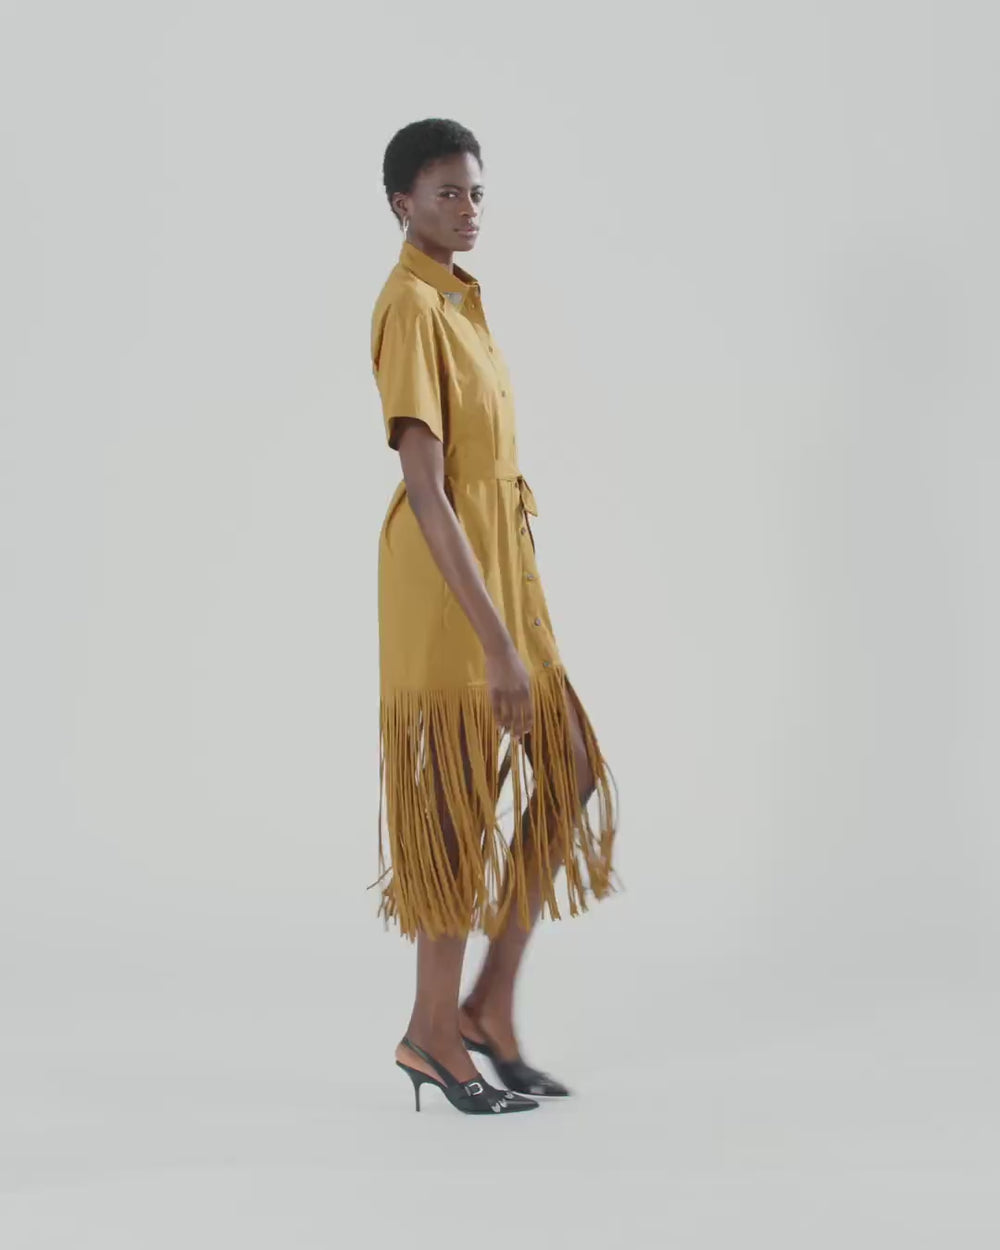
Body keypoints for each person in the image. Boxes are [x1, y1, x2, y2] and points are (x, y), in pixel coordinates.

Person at [370, 118, 621, 1115]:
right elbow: (428, 490)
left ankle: (487, 1008)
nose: (468, 209)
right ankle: (431, 1031)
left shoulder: (460, 299)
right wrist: (494, 643)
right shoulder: (408, 306)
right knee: (457, 809)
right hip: (448, 594)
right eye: (447, 193)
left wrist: (517, 628)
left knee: (569, 767)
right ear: (402, 203)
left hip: (505, 576)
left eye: (476, 192)